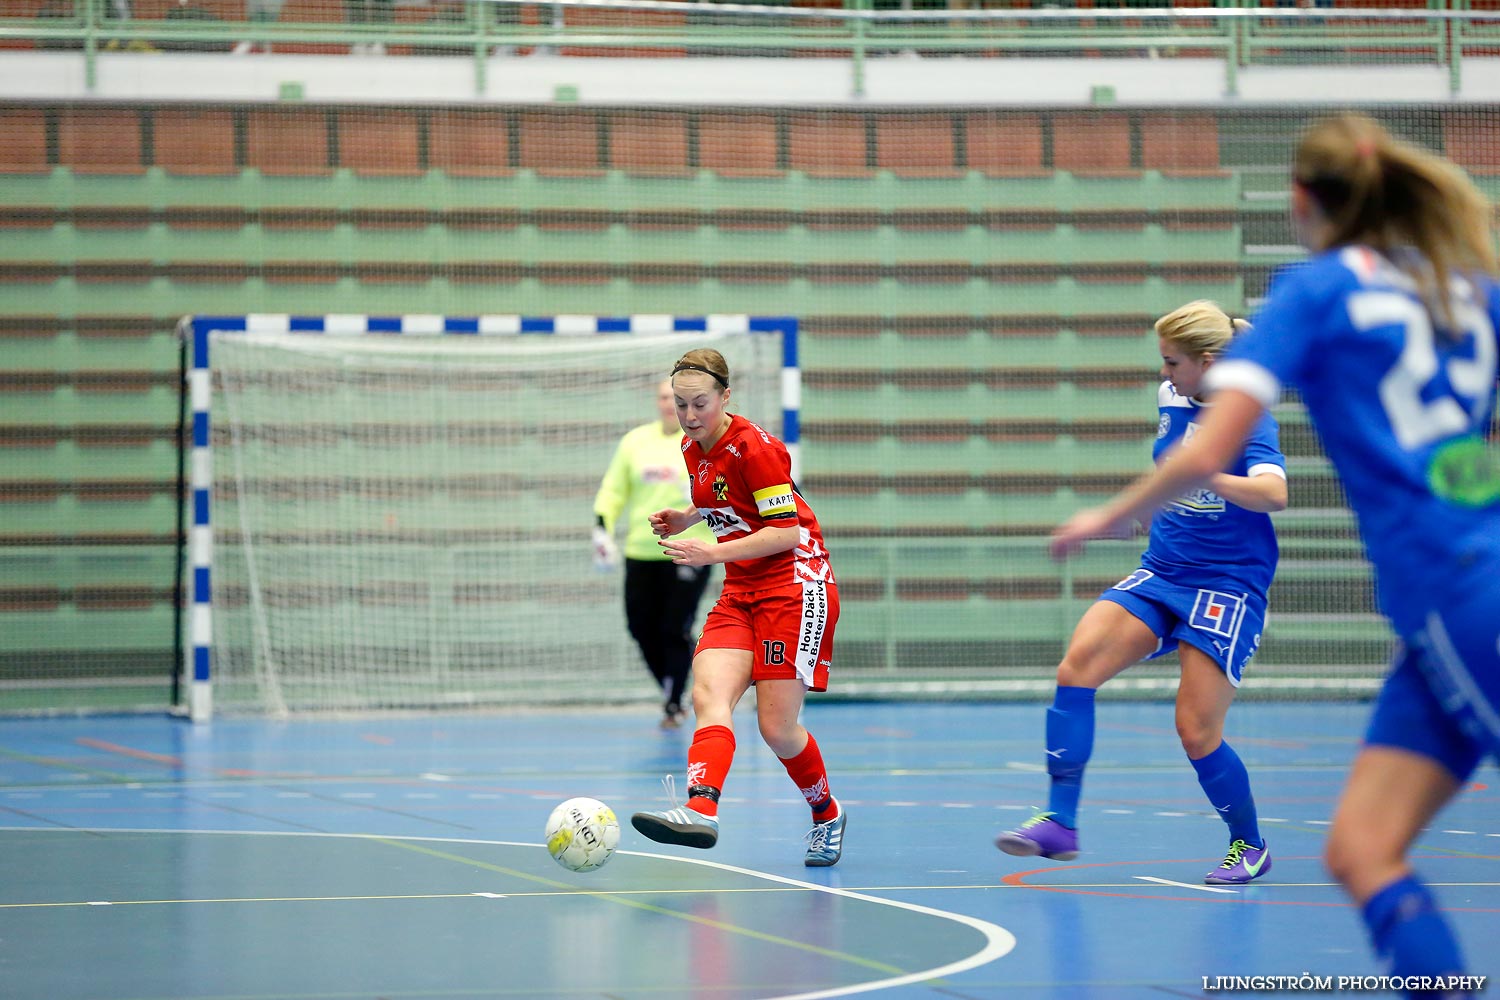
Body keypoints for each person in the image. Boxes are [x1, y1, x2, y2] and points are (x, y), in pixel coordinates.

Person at [1051, 113, 1499, 995]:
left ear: (1301, 200)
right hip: (1446, 602)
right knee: (1362, 851)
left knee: (1362, 847)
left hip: (1459, 592)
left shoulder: (1316, 292)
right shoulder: (1467, 289)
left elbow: (1201, 453)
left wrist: (1110, 513)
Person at [996, 301, 1289, 885]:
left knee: (1196, 730)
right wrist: (1141, 509)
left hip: (1227, 583)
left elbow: (1273, 494)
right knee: (1076, 667)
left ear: (1208, 362)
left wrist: (1205, 474)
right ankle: (1061, 822)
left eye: (1173, 362)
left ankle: (1249, 844)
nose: (1165, 373)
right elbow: (1166, 471)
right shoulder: (1171, 399)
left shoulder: (1247, 419)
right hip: (1163, 568)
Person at [630, 348, 846, 867]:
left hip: (795, 587)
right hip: (742, 590)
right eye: (681, 405)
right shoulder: (692, 445)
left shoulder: (758, 449)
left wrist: (712, 551)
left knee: (776, 728)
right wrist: (686, 519)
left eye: (699, 403)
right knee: (709, 695)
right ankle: (701, 809)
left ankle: (827, 813)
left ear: (726, 397)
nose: (689, 416)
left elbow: (785, 530)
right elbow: (721, 499)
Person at [593, 379, 714, 729]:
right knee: (640, 627)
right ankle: (670, 684)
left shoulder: (699, 443)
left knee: (675, 627)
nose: (669, 404)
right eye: (665, 398)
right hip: (641, 552)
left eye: (675, 398)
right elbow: (613, 490)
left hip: (688, 550)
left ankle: (674, 701)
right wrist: (602, 527)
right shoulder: (635, 443)